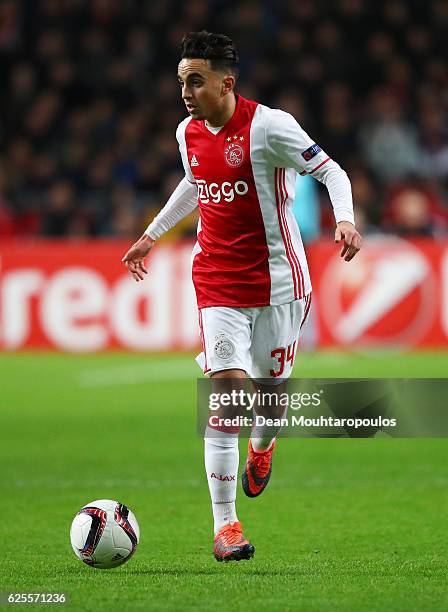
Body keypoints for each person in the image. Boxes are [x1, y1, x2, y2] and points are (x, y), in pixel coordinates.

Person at [121, 31, 362, 562]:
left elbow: (331, 170)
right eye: (182, 80)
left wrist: (344, 219)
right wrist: (152, 235)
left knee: (269, 398)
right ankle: (226, 526)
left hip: (279, 285)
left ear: (226, 83)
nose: (185, 90)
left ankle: (263, 446)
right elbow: (193, 181)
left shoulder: (270, 127)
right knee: (227, 396)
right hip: (218, 281)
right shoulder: (187, 132)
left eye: (196, 80)